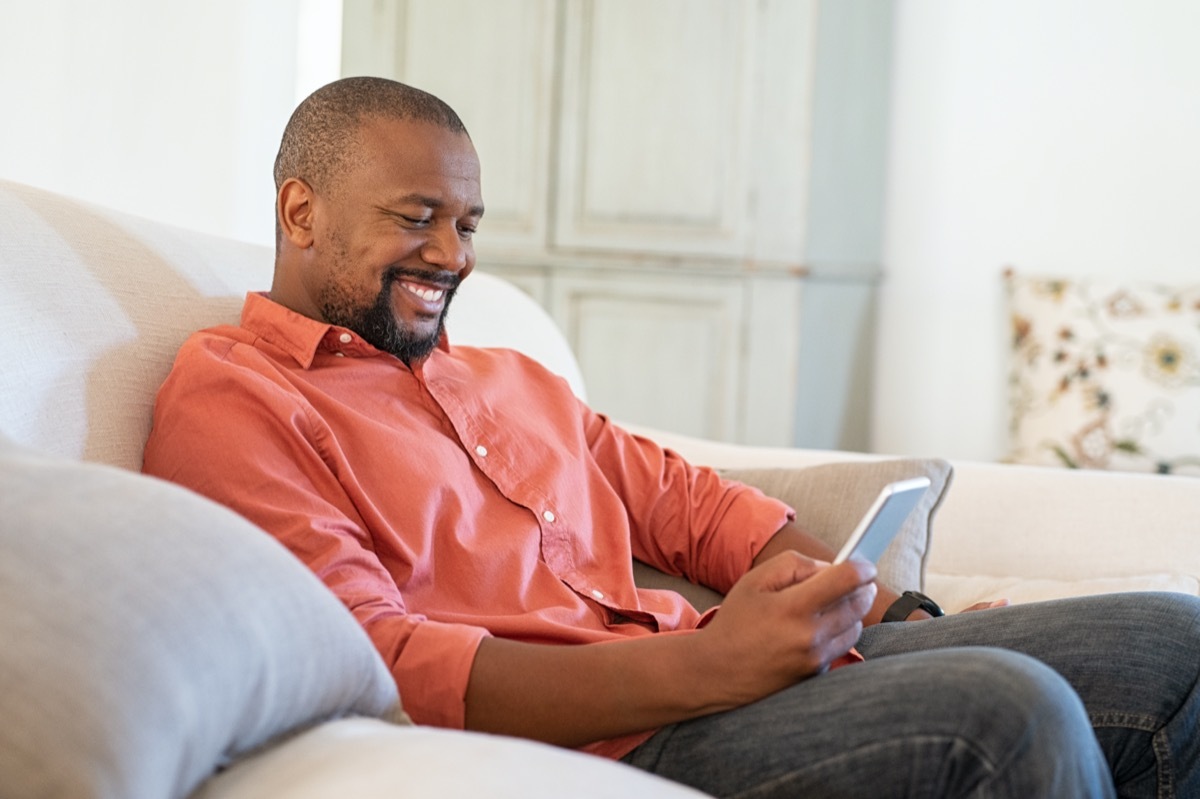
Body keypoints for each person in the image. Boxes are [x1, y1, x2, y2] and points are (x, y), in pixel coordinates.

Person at [143, 76, 1200, 798]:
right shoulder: (237, 395)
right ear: (299, 212)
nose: (451, 255)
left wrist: (906, 610)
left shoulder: (506, 377)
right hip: (620, 732)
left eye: (466, 225)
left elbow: (700, 512)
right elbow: (382, 662)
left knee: (1176, 636)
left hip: (718, 676)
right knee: (1007, 716)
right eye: (415, 217)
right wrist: (715, 668)